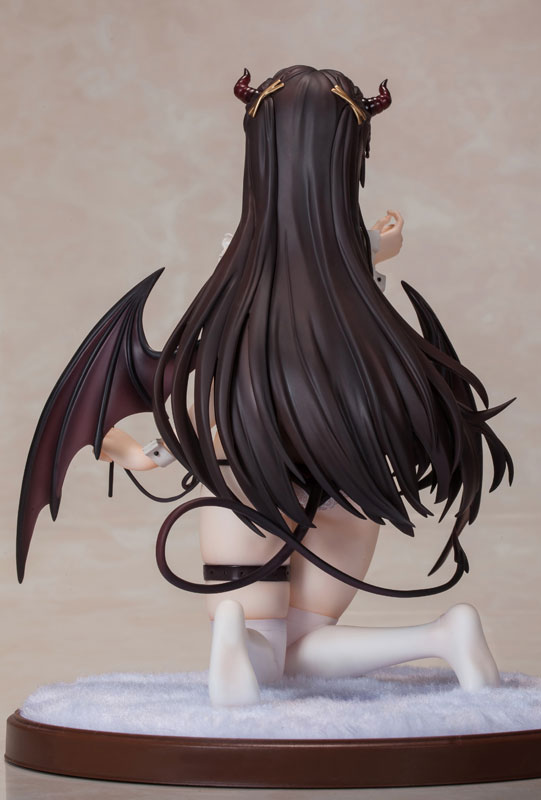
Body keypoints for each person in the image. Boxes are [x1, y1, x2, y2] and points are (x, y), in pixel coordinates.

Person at [98, 65, 512, 705]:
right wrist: (373, 250)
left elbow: (218, 385)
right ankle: (443, 637)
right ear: (351, 155)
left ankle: (235, 635)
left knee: (267, 650)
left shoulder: (242, 275)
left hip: (249, 478)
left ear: (258, 153)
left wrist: (142, 452)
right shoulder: (362, 294)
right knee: (304, 647)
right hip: (349, 476)